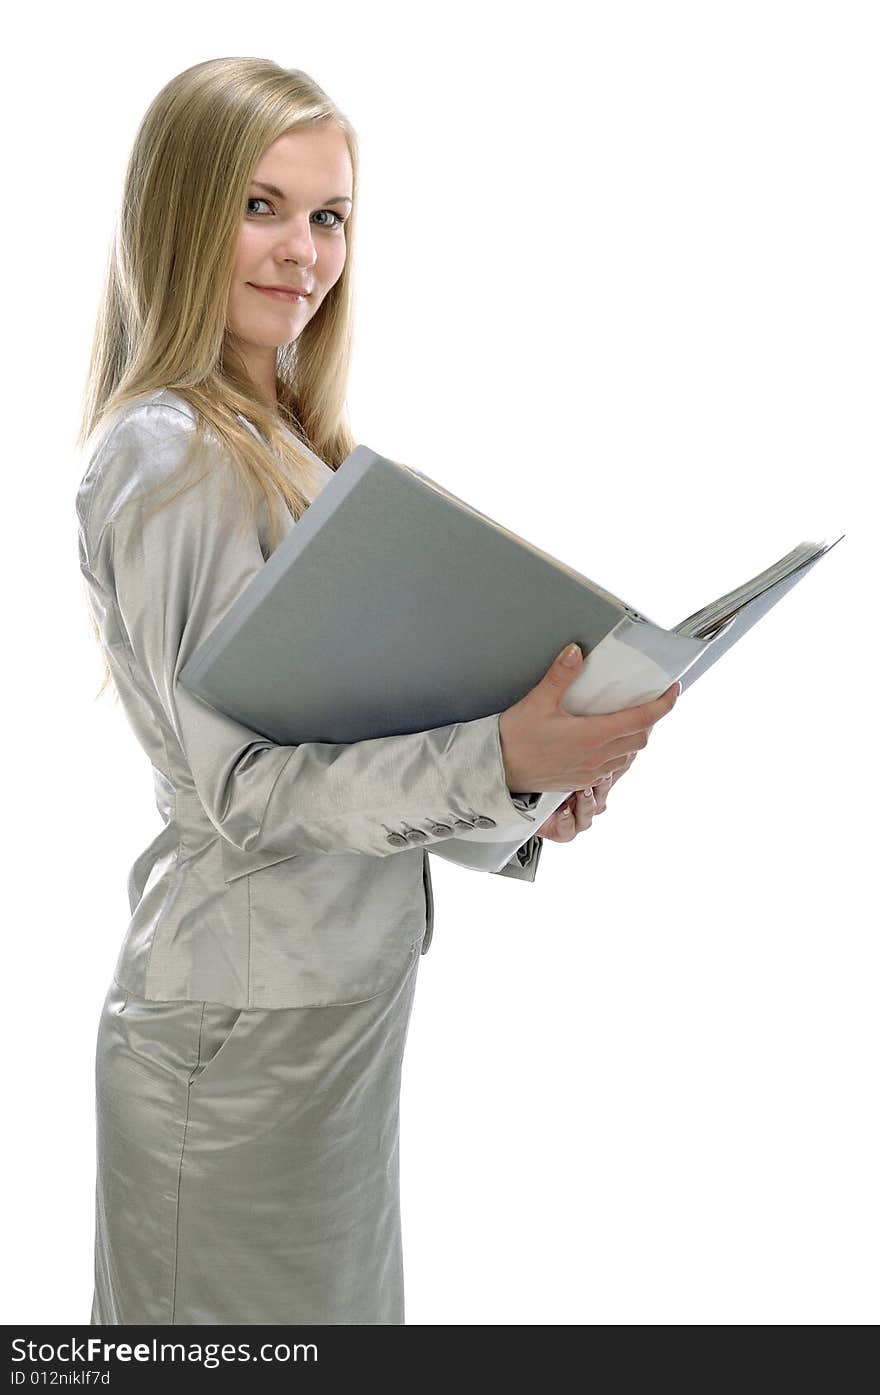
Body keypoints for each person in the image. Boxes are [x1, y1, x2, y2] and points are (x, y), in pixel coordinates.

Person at [75, 57, 680, 1326]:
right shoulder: (169, 455)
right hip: (232, 1042)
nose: (303, 251)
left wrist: (524, 787)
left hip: (329, 1014)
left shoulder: (285, 439)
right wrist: (498, 758)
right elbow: (243, 793)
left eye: (329, 215)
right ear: (175, 213)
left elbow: (349, 741)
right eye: (261, 206)